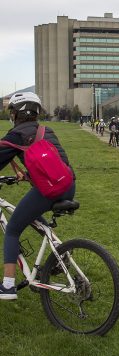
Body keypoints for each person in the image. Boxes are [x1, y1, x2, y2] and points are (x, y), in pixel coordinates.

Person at [0, 92, 76, 300]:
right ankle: (62, 257)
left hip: (50, 190)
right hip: (69, 185)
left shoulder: (16, 135)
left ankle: (7, 286)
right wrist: (28, 175)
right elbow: (56, 163)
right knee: (31, 214)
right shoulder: (46, 130)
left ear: (18, 113)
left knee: (13, 229)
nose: (11, 116)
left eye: (12, 112)